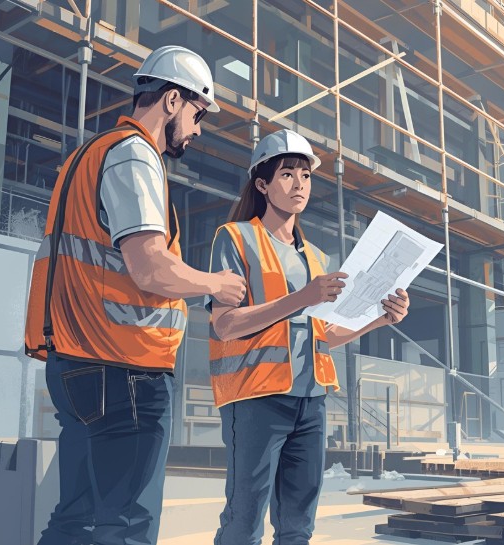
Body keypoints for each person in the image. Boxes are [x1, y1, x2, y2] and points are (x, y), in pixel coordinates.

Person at [23, 45, 247, 545]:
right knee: (125, 526)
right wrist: (216, 283)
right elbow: (149, 268)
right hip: (122, 370)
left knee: (75, 519)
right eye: (197, 112)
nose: (198, 128)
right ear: (171, 100)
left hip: (75, 363)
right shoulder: (134, 154)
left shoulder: (87, 155)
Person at [208, 129, 410, 545]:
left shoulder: (317, 257)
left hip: (311, 401)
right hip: (255, 400)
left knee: (298, 526)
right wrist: (302, 297)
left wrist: (379, 319)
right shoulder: (235, 238)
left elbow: (325, 335)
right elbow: (225, 324)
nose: (299, 183)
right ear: (262, 184)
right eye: (287, 173)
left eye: (305, 174)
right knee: (243, 522)